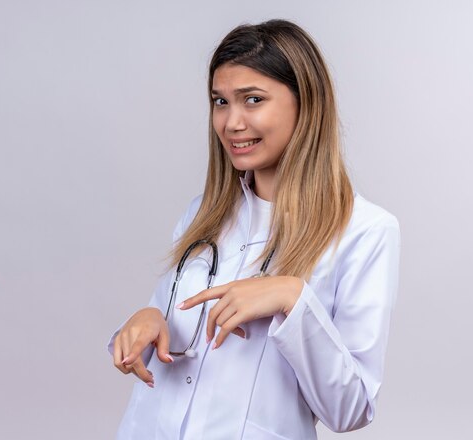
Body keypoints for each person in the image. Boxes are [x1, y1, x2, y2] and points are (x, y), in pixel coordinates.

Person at [107, 19, 400, 439]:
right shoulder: (202, 215)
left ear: (307, 103)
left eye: (253, 100)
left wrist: (292, 298)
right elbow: (173, 338)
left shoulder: (365, 232)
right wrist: (149, 319)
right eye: (221, 102)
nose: (231, 122)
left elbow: (350, 409)